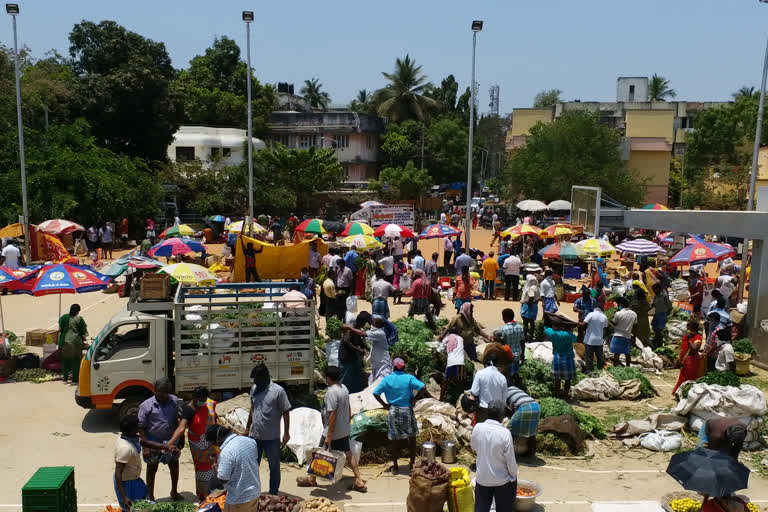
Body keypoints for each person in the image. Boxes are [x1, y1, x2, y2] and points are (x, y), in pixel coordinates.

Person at [297, 366, 367, 492]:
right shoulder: (344, 388)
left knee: (319, 453)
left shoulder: (331, 393)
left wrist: (329, 435)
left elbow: (332, 414)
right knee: (348, 453)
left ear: (327, 377)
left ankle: (312, 479)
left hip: (332, 431)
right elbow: (348, 406)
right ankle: (359, 480)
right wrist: (347, 422)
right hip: (343, 429)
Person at [373, 357, 425, 474]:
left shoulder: (387, 379)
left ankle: (395, 466)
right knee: (412, 438)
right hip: (407, 410)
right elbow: (423, 387)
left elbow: (375, 393)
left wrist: (385, 404)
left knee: (394, 440)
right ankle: (411, 465)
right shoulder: (409, 378)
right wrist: (415, 399)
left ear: (393, 367)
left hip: (394, 411)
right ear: (404, 367)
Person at [246, 364, 291, 496]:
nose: (254, 382)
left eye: (256, 379)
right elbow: (252, 408)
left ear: (265, 377)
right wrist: (248, 427)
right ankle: (252, 492)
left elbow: (286, 411)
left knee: (274, 466)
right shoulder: (254, 389)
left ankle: (273, 492)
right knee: (253, 466)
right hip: (255, 436)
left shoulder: (278, 391)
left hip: (272, 437)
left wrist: (287, 433)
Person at [166, 387, 218, 500]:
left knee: (215, 466)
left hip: (212, 442)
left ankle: (215, 492)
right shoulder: (189, 409)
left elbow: (215, 417)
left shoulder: (211, 403)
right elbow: (181, 429)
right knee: (203, 469)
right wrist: (169, 444)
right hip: (198, 445)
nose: (202, 402)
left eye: (204, 399)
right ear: (194, 397)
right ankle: (204, 496)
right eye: (200, 399)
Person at [114, 415, 172, 512]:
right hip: (127, 484)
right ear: (132, 429)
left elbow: (144, 443)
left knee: (142, 502)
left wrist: (166, 447)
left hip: (135, 479)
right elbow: (118, 473)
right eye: (138, 426)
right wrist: (124, 497)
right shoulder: (124, 449)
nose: (140, 428)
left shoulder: (129, 437)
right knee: (133, 507)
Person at [137, 378, 182, 502]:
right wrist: (146, 447)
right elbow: (141, 427)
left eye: (166, 392)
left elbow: (179, 420)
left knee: (174, 466)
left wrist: (181, 438)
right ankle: (150, 495)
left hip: (171, 441)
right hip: (153, 443)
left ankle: (174, 492)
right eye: (161, 392)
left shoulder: (174, 401)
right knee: (152, 468)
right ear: (154, 391)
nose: (164, 395)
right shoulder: (146, 406)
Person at [471, 400, 518, 512]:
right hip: (501, 481)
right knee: (505, 506)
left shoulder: (477, 427)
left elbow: (473, 447)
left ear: (488, 413)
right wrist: (513, 476)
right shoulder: (505, 433)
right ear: (502, 416)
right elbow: (511, 461)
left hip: (482, 478)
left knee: (481, 508)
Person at [205, 425, 261, 510]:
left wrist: (215, 464)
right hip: (255, 493)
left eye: (214, 443)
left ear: (218, 439)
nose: (215, 446)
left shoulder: (226, 452)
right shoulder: (250, 441)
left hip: (239, 500)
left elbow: (223, 479)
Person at [544, 314, 578, 399]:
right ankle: (566, 395)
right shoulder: (568, 334)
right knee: (567, 380)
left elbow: (545, 327)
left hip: (557, 358)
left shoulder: (552, 333)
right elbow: (576, 339)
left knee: (557, 379)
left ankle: (557, 395)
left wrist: (547, 318)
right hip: (568, 358)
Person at [470, 352, 508, 423]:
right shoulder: (502, 378)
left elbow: (474, 393)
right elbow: (504, 399)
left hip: (483, 410)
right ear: (497, 363)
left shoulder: (480, 374)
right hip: (497, 412)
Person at [338, 311, 371, 393]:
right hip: (346, 358)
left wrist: (366, 347)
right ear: (361, 321)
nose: (364, 325)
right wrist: (358, 349)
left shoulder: (357, 329)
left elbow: (359, 340)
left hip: (353, 358)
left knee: (356, 378)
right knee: (346, 379)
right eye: (364, 323)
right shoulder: (350, 329)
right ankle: (344, 394)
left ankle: (355, 393)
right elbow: (346, 342)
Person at [505, 386, 540, 458]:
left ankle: (508, 455)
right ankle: (531, 454)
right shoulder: (514, 388)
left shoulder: (503, 393)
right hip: (536, 406)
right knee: (531, 433)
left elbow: (509, 411)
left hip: (525, 408)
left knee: (509, 431)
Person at [673, 321, 705, 394]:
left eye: (689, 328)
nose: (688, 330)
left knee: (689, 378)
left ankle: (687, 393)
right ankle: (680, 393)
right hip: (684, 360)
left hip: (691, 361)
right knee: (683, 377)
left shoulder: (698, 338)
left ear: (694, 329)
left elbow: (694, 349)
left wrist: (690, 338)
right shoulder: (687, 336)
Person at [58, 304, 88, 383]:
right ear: (78, 311)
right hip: (76, 343)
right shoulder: (79, 319)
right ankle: (75, 379)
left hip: (65, 342)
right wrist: (84, 338)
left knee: (65, 360)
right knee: (76, 360)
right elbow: (84, 332)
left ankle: (65, 378)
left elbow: (59, 329)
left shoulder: (64, 317)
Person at [493, 309, 525, 380]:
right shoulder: (520, 327)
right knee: (515, 372)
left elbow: (501, 340)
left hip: (508, 355)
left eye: (503, 317)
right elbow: (522, 342)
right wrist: (523, 354)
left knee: (507, 374)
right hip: (518, 354)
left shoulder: (504, 328)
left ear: (505, 317)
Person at [436, 328, 465, 402]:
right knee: (460, 380)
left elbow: (440, 349)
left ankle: (441, 398)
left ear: (449, 333)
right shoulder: (461, 338)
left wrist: (438, 349)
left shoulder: (447, 338)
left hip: (451, 362)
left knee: (446, 380)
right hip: (461, 362)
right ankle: (460, 397)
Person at [610, 297, 638, 368]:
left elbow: (614, 323)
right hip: (627, 336)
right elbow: (635, 327)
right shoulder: (634, 314)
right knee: (627, 354)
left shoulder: (618, 313)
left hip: (618, 335)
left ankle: (615, 368)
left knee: (617, 354)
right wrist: (634, 337)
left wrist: (610, 320)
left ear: (621, 305)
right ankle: (628, 368)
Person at [581, 305, 607, 373]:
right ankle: (600, 371)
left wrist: (579, 324)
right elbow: (604, 327)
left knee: (589, 357)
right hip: (599, 340)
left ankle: (589, 371)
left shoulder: (591, 314)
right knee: (599, 357)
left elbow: (584, 324)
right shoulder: (604, 316)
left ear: (594, 308)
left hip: (590, 340)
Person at [649, 282, 672, 348]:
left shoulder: (664, 297)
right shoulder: (655, 297)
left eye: (656, 289)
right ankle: (658, 343)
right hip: (656, 315)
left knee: (659, 330)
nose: (655, 291)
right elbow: (652, 306)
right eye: (654, 290)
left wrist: (666, 314)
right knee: (655, 329)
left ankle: (656, 344)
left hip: (662, 315)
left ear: (659, 289)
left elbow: (669, 306)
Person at [630, 281, 652, 347]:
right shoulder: (645, 302)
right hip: (644, 320)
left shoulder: (634, 303)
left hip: (637, 321)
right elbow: (649, 308)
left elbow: (630, 310)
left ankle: (638, 346)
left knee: (638, 334)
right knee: (645, 333)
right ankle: (645, 345)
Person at [520, 275, 540, 342]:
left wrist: (528, 303)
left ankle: (525, 337)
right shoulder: (536, 287)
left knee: (525, 322)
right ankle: (531, 336)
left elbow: (531, 296)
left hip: (529, 306)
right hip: (534, 306)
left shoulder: (531, 288)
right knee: (532, 322)